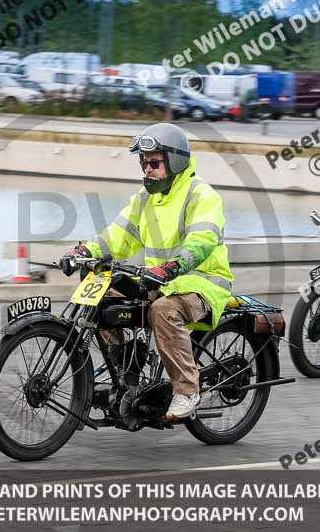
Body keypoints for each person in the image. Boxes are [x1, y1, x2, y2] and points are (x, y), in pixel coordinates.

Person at [58, 123, 233, 420]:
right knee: (103, 298)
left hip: (200, 284)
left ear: (175, 161)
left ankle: (187, 391)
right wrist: (85, 252)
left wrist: (172, 267)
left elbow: (201, 241)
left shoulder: (201, 196)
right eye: (144, 163)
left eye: (154, 163)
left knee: (163, 311)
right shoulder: (145, 198)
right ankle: (128, 369)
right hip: (160, 280)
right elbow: (119, 234)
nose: (147, 170)